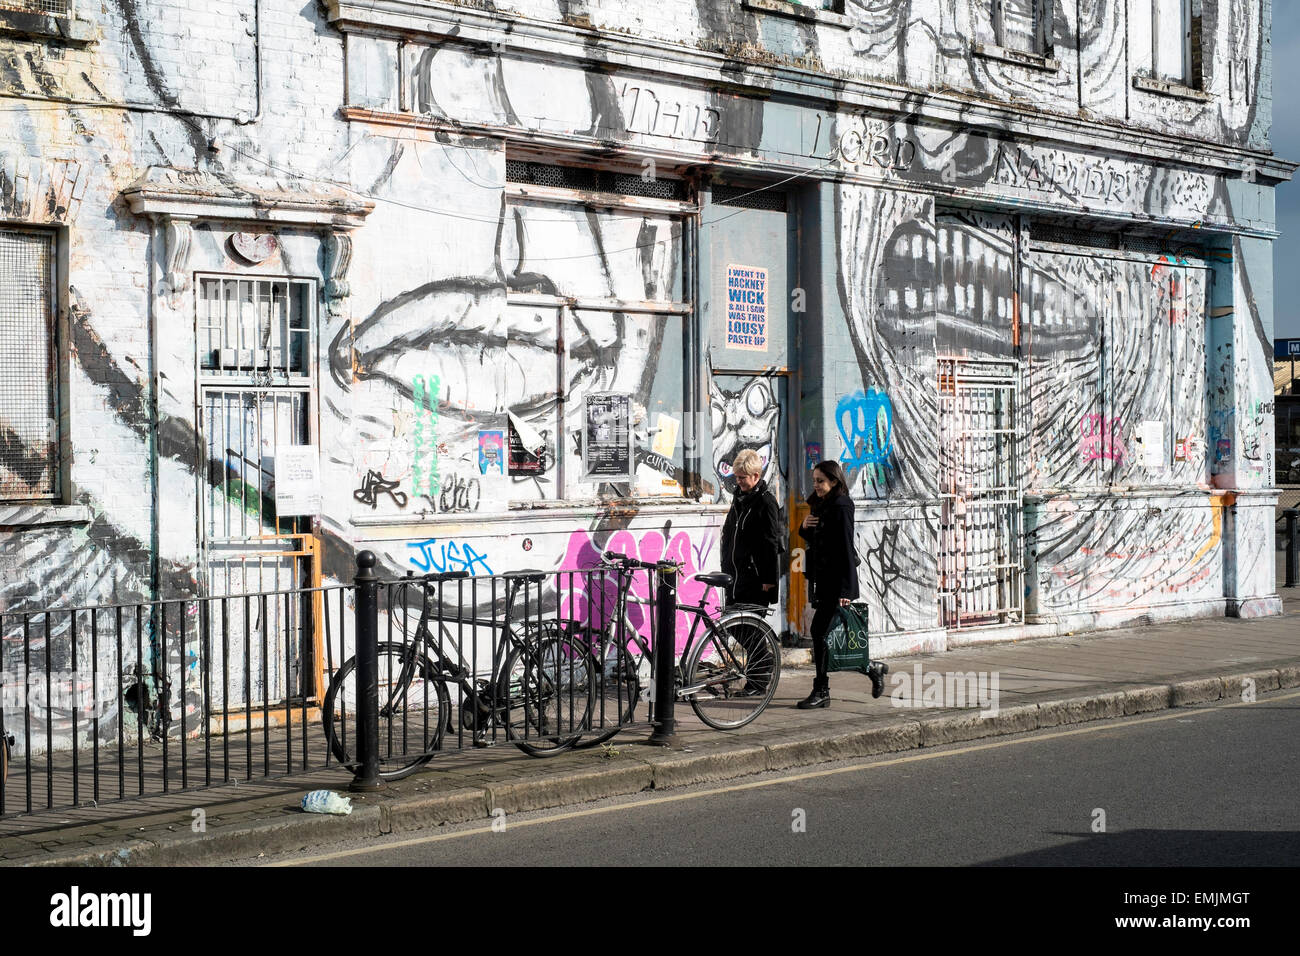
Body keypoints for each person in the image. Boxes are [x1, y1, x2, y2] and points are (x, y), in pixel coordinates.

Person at [797, 460, 887, 708]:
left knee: (820, 633)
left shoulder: (842, 505)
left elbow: (846, 547)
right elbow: (815, 538)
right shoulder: (819, 504)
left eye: (821, 481)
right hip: (822, 579)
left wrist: (847, 590)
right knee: (829, 637)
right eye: (814, 480)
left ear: (834, 481)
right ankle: (871, 668)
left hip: (836, 582)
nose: (816, 485)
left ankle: (822, 690)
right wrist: (803, 527)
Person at [720, 448, 782, 608]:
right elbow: (729, 532)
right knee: (731, 628)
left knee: (750, 629)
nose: (738, 481)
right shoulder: (739, 498)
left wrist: (769, 580)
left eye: (742, 477)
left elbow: (771, 542)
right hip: (734, 575)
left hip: (754, 579)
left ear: (755, 476)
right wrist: (725, 561)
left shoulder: (766, 503)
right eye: (736, 477)